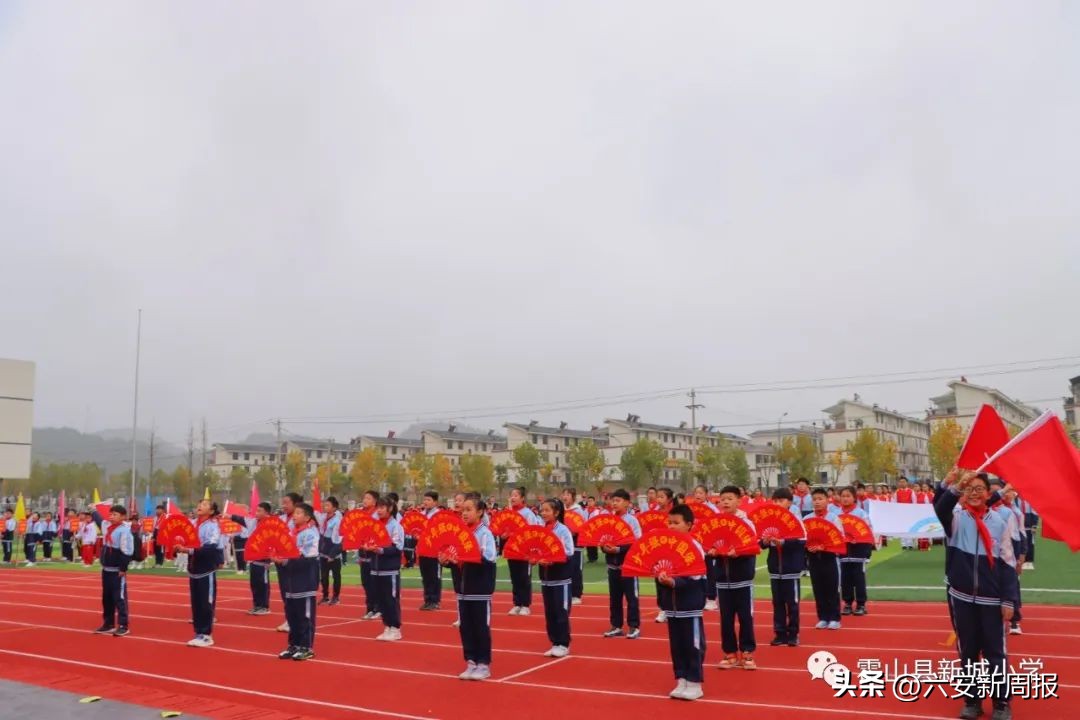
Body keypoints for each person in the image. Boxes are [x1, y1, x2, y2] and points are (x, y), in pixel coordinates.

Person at [935, 471, 1017, 720]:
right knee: (968, 652)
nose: (974, 493)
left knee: (995, 654)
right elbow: (940, 508)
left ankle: (1001, 703)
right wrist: (955, 486)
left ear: (989, 494)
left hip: (991, 600)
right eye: (969, 488)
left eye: (979, 488)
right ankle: (972, 701)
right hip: (962, 598)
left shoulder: (1000, 522)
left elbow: (1008, 563)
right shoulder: (956, 520)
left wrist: (1008, 599)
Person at [658, 504, 708, 700]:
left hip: (690, 605)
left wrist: (673, 582)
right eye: (669, 522)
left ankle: (695, 682)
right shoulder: (664, 547)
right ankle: (681, 679)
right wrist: (661, 579)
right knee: (676, 646)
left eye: (676, 523)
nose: (671, 526)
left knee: (692, 644)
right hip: (671, 607)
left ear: (689, 524)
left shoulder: (695, 547)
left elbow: (695, 576)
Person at [445, 497, 497, 680]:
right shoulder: (459, 533)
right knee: (465, 627)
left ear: (480, 512)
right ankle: (471, 662)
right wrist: (446, 561)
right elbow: (454, 557)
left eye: (469, 509)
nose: (464, 513)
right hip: (462, 590)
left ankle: (483, 664)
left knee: (481, 627)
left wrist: (468, 557)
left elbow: (489, 559)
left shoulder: (485, 534)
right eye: (463, 510)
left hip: (480, 590)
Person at [712, 485, 757, 670]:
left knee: (745, 617)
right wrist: (712, 551)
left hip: (743, 579)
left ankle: (747, 653)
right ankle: (729, 653)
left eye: (730, 499)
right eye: (722, 499)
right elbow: (708, 544)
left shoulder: (747, 523)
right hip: (723, 580)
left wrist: (738, 552)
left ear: (739, 501)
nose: (725, 502)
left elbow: (753, 547)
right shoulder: (715, 523)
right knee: (726, 619)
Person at [276, 502, 320, 661]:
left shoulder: (311, 533)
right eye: (294, 513)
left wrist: (285, 561)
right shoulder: (291, 533)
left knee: (305, 616)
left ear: (307, 517)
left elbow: (308, 559)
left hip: (305, 582)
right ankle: (293, 645)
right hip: (290, 581)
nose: (294, 516)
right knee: (292, 616)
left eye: (298, 513)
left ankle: (306, 647)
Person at [176, 500, 223, 648]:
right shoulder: (192, 524)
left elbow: (211, 548)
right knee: (196, 604)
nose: (200, 506)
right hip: (193, 569)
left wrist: (188, 550)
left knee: (205, 604)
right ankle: (198, 633)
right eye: (200, 504)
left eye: (204, 504)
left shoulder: (213, 526)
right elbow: (184, 538)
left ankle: (207, 635)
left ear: (211, 511)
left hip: (205, 570)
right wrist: (178, 543)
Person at [765, 488, 806, 647]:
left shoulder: (796, 520)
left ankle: (793, 634)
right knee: (777, 603)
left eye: (781, 501)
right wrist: (765, 542)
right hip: (775, 569)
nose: (777, 503)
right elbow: (760, 542)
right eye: (775, 501)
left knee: (792, 604)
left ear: (789, 502)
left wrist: (784, 542)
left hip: (791, 569)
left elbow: (802, 540)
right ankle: (780, 633)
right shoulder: (769, 520)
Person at [601, 489, 643, 639]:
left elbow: (636, 542)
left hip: (628, 567)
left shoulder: (632, 521)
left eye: (618, 500)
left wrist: (618, 549)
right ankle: (616, 625)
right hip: (613, 566)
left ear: (627, 503)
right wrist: (604, 548)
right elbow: (602, 539)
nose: (614, 503)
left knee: (632, 598)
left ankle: (634, 626)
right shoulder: (608, 520)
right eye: (613, 500)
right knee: (614, 598)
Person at [537, 499, 575, 658]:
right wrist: (534, 558)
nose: (543, 513)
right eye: (542, 510)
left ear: (556, 512)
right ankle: (555, 642)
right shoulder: (540, 530)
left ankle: (563, 644)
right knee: (550, 613)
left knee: (561, 612)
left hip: (561, 579)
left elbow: (569, 552)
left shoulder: (563, 530)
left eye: (547, 510)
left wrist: (553, 560)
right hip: (546, 579)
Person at [93, 505, 134, 636]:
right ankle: (108, 623)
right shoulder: (108, 527)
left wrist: (123, 568)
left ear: (123, 517)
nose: (111, 517)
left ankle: (123, 625)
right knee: (107, 598)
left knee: (119, 598)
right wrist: (93, 510)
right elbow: (99, 520)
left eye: (115, 514)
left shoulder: (124, 531)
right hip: (106, 569)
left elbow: (126, 551)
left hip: (117, 570)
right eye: (110, 514)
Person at [806, 488, 844, 630]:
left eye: (820, 499)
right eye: (814, 499)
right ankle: (822, 617)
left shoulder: (834, 518)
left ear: (827, 500)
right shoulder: (807, 519)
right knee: (818, 588)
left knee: (832, 588)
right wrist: (808, 547)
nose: (817, 502)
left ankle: (835, 618)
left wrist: (824, 547)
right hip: (813, 558)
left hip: (830, 558)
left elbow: (840, 538)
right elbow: (802, 538)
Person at [370, 496, 405, 641]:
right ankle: (387, 626)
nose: (379, 510)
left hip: (390, 570)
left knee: (391, 599)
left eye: (382, 507)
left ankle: (395, 628)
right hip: (376, 569)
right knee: (381, 600)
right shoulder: (374, 525)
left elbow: (397, 547)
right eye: (377, 507)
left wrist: (381, 550)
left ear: (390, 509)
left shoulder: (395, 526)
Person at [505, 487, 543, 616]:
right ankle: (517, 604)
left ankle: (525, 605)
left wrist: (533, 550)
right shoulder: (508, 513)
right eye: (511, 495)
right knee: (514, 578)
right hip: (512, 550)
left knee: (524, 578)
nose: (513, 497)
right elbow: (504, 531)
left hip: (525, 551)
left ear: (522, 498)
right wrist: (504, 535)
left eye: (516, 495)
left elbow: (533, 531)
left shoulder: (528, 513)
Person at [837, 486, 873, 616]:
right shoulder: (836, 514)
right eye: (843, 496)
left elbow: (868, 531)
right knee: (845, 578)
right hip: (843, 551)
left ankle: (861, 604)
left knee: (858, 578)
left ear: (854, 498)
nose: (845, 499)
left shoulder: (861, 514)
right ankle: (847, 603)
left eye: (848, 496)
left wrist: (866, 549)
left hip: (859, 550)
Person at [231, 502, 272, 615]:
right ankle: (257, 605)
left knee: (263, 584)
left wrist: (270, 558)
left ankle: (264, 606)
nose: (256, 513)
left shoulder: (271, 524)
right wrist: (229, 516)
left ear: (266, 512)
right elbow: (240, 519)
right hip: (253, 559)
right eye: (256, 510)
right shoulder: (253, 522)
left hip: (264, 560)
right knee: (254, 584)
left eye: (259, 511)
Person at [275, 492, 303, 633]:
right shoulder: (280, 519)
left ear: (295, 504)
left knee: (294, 592)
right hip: (280, 560)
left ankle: (296, 620)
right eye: (283, 502)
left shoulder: (300, 521)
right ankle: (289, 619)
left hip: (293, 560)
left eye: (287, 503)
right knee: (285, 592)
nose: (284, 505)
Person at [560, 488, 589, 605]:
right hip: (563, 545)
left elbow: (584, 526)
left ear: (573, 497)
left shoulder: (579, 510)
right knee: (565, 570)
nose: (565, 497)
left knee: (576, 570)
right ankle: (567, 593)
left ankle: (577, 594)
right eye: (563, 494)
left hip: (576, 544)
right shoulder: (561, 510)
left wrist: (575, 532)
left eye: (567, 494)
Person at [357, 490, 382, 621]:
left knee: (374, 583)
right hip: (363, 552)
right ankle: (370, 608)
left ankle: (378, 608)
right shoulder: (360, 514)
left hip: (373, 553)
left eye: (368, 498)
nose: (365, 500)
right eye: (364, 498)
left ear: (374, 501)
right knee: (366, 583)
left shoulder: (377, 515)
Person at [418, 491, 444, 611]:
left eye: (428, 500)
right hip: (423, 550)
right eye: (425, 499)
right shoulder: (421, 515)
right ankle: (427, 599)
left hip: (435, 551)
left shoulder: (439, 515)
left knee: (435, 576)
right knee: (425, 576)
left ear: (435, 502)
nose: (426, 502)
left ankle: (435, 600)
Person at [318, 496, 344, 606]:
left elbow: (339, 539)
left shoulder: (337, 520)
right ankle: (325, 596)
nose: (325, 507)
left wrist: (333, 554)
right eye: (325, 505)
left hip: (334, 553)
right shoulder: (323, 518)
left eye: (328, 505)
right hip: (323, 552)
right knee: (323, 576)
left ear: (334, 508)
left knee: (336, 576)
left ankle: (336, 597)